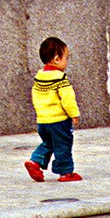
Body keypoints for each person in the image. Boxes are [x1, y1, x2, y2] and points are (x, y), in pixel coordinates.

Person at [26, 36, 81, 182]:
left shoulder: (39, 78)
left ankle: (35, 161)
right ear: (57, 59)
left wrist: (41, 113)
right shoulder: (60, 79)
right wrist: (74, 114)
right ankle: (65, 172)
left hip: (43, 120)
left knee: (48, 143)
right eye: (66, 58)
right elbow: (68, 99)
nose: (66, 62)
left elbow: (35, 97)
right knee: (63, 144)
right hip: (59, 120)